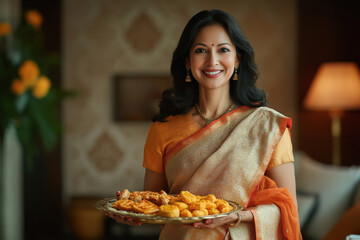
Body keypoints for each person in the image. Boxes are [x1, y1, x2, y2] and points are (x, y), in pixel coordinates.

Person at [108, 9, 302, 240]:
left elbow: (288, 208)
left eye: (223, 50)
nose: (212, 61)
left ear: (237, 59)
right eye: (201, 50)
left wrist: (236, 216)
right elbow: (155, 203)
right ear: (188, 62)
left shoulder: (269, 126)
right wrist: (130, 209)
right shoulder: (163, 129)